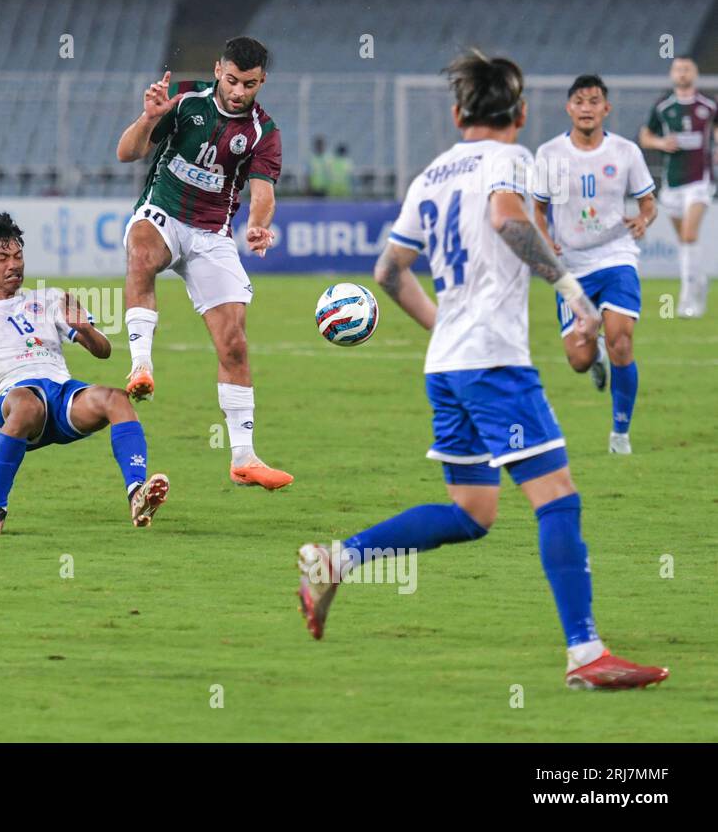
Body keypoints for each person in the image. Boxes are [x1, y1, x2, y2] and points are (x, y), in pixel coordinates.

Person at [297, 51, 668, 690]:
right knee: (558, 497)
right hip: (494, 362)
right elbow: (505, 217)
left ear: (455, 113)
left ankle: (338, 558)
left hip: (446, 365)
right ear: (521, 114)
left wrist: (442, 324)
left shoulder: (430, 175)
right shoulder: (512, 161)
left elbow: (388, 271)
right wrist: (575, 294)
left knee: (472, 510)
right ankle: (586, 655)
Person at [114, 36, 292, 491]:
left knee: (233, 342)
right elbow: (128, 152)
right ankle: (140, 366)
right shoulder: (185, 97)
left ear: (262, 81)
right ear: (218, 70)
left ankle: (244, 458)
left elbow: (263, 192)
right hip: (163, 213)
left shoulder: (263, 132)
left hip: (212, 234)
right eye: (232, 80)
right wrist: (149, 118)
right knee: (142, 253)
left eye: (249, 84)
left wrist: (257, 226)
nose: (238, 91)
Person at [0, 213, 170, 535]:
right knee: (28, 404)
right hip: (13, 398)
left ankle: (137, 493)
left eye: (18, 256)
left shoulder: (50, 298)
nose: (13, 264)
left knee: (115, 398)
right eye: (2, 258)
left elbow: (103, 351)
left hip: (61, 395)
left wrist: (83, 328)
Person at [533, 75, 657, 454]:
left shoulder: (626, 152)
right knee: (579, 360)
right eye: (580, 101)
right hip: (571, 267)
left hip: (617, 257)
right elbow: (537, 208)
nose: (587, 107)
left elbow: (648, 202)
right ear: (569, 108)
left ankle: (620, 433)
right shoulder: (549, 154)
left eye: (594, 101)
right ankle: (596, 355)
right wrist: (545, 240)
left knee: (621, 338)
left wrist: (643, 219)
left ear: (607, 109)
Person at [638, 58, 717, 317]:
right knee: (683, 239)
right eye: (678, 69)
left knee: (689, 235)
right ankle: (699, 280)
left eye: (687, 69)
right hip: (672, 183)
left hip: (700, 182)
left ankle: (687, 300)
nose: (682, 73)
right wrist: (661, 143)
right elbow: (645, 136)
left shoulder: (708, 105)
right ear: (672, 74)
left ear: (695, 73)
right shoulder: (663, 106)